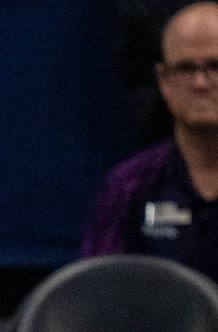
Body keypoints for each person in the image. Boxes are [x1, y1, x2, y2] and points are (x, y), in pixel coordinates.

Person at [80, 1, 218, 277]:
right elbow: (92, 299)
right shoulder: (129, 186)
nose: (201, 83)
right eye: (186, 69)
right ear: (163, 80)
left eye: (216, 66)